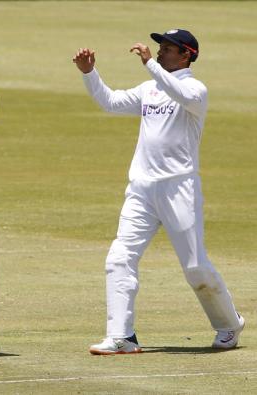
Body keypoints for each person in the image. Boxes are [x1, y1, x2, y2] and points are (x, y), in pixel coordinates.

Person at [72, 29, 244, 355]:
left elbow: (177, 91)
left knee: (195, 267)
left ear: (187, 55)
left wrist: (150, 65)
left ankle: (229, 324)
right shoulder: (150, 88)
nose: (161, 52)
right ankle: (121, 336)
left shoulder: (195, 90)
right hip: (141, 188)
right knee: (119, 258)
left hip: (179, 187)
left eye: (168, 49)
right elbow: (110, 102)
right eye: (160, 48)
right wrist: (90, 74)